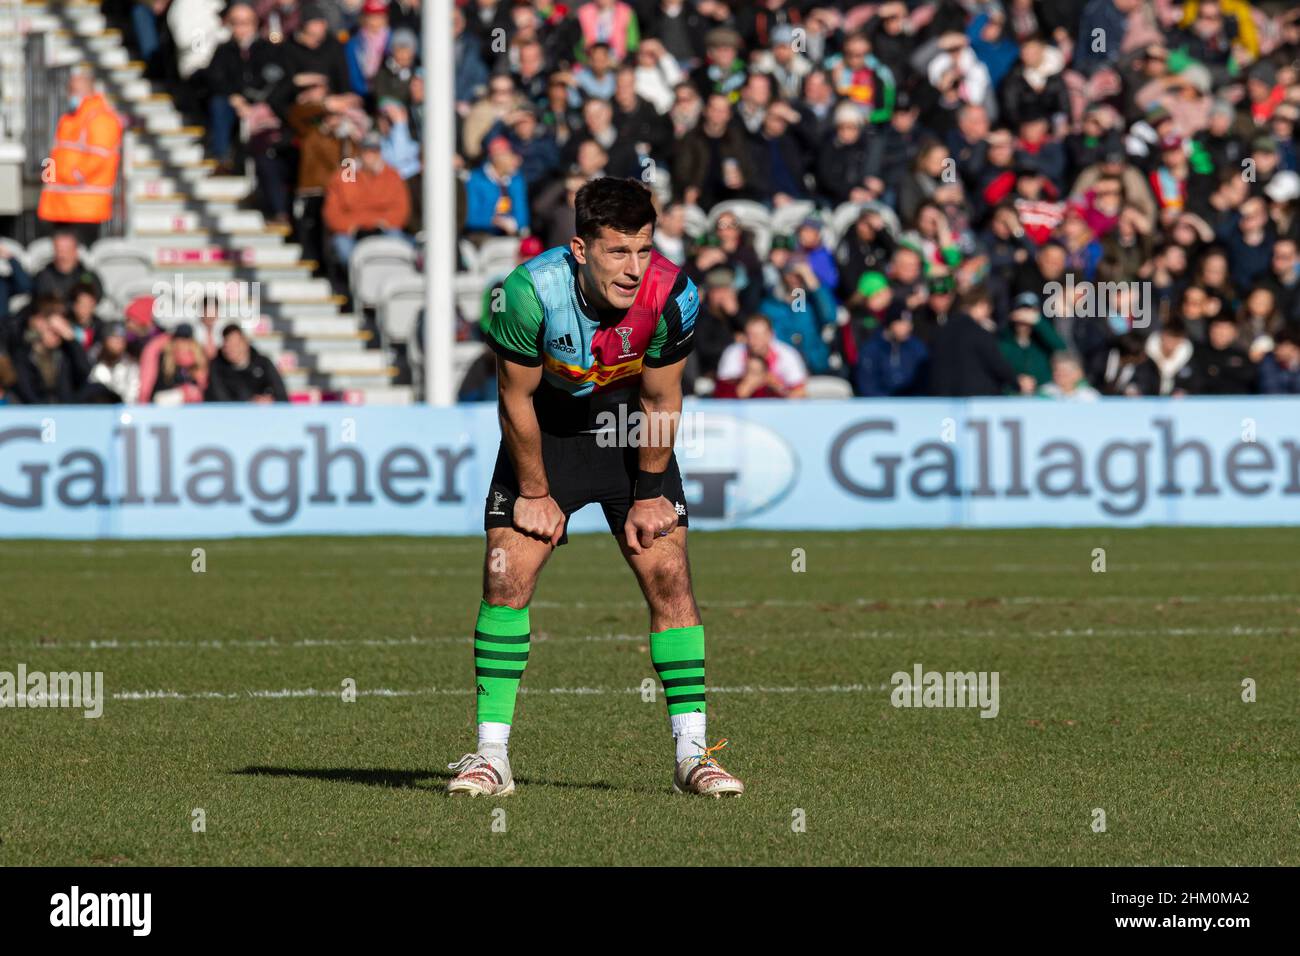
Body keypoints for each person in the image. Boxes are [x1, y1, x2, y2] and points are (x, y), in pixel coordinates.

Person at [448, 177, 743, 799]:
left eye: (643, 248)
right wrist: (534, 490)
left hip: (628, 430)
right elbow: (514, 399)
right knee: (507, 577)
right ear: (580, 249)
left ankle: (694, 756)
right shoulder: (527, 293)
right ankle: (490, 757)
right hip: (546, 433)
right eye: (617, 251)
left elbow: (663, 397)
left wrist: (651, 490)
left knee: (669, 576)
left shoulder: (674, 293)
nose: (635, 268)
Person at [36, 68, 123, 245]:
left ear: (89, 88)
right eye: (70, 89)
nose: (70, 94)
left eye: (75, 90)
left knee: (80, 261)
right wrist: (49, 177)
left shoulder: (101, 117)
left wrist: (73, 176)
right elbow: (57, 153)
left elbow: (99, 157)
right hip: (60, 205)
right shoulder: (69, 119)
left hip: (84, 208)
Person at [322, 131, 412, 268]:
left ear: (380, 153)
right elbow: (332, 213)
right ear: (359, 152)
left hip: (384, 227)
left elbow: (401, 210)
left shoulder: (392, 175)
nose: (370, 155)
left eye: (374, 151)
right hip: (351, 230)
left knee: (397, 241)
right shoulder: (346, 173)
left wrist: (382, 223)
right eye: (366, 150)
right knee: (344, 248)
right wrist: (352, 227)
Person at [714, 313, 809, 398]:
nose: (754, 340)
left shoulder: (787, 355)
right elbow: (723, 391)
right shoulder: (733, 353)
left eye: (759, 335)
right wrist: (748, 383)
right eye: (750, 335)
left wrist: (778, 388)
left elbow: (799, 392)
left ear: (770, 335)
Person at [854, 303, 929, 397]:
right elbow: (867, 384)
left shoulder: (916, 347)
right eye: (901, 322)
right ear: (890, 323)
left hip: (912, 405)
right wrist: (889, 404)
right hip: (879, 405)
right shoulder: (872, 349)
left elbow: (924, 382)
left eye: (909, 323)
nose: (908, 327)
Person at [205, 324, 289, 402]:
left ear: (245, 343)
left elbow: (282, 395)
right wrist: (249, 403)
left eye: (235, 345)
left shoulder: (263, 364)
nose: (231, 350)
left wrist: (270, 400)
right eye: (227, 345)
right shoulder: (217, 367)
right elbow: (220, 399)